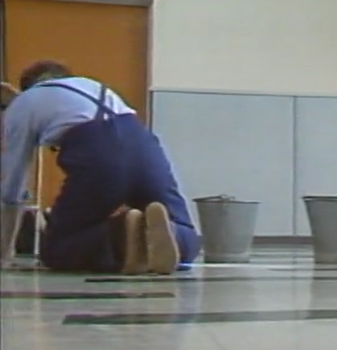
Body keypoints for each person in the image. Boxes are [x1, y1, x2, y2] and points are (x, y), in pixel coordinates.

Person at [0, 60, 200, 274]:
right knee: (182, 225)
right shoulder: (88, 84)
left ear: (25, 88)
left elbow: (14, 188)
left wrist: (4, 252)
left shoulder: (22, 105)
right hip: (143, 145)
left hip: (96, 154)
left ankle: (123, 234)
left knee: (58, 249)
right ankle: (174, 235)